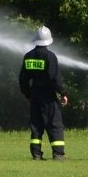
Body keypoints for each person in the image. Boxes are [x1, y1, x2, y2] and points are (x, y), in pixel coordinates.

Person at [18, 25, 69, 161]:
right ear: (48, 40)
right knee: (55, 124)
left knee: (36, 124)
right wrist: (63, 93)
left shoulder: (28, 56)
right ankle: (58, 154)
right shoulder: (50, 56)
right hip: (48, 96)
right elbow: (55, 78)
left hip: (35, 95)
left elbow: (23, 79)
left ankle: (36, 154)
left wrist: (28, 94)